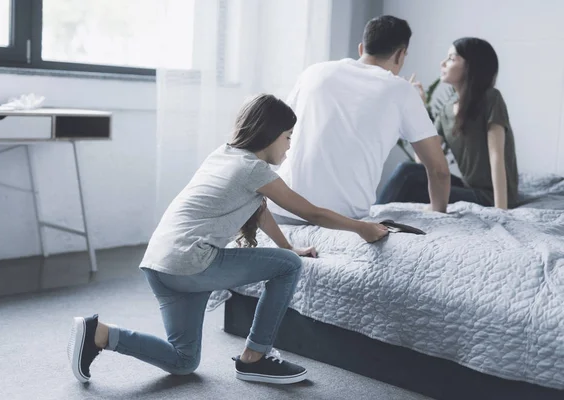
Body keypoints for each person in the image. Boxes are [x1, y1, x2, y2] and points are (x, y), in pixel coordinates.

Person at [67, 94, 389, 386]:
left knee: (183, 361)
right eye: (288, 137)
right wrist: (362, 228)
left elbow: (259, 211)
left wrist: (287, 245)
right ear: (271, 133)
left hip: (160, 265)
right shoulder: (252, 169)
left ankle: (100, 334)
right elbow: (313, 213)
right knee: (288, 267)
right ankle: (255, 357)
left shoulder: (223, 156)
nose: (290, 146)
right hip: (191, 263)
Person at [268, 15, 450, 225]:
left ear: (361, 48)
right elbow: (439, 170)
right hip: (342, 220)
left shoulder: (315, 72)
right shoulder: (401, 90)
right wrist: (437, 211)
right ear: (400, 54)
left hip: (280, 207)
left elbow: (279, 132)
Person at [377, 37, 519, 209]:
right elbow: (422, 162)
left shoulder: (491, 99)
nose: (442, 63)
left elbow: (496, 156)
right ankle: (374, 219)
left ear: (471, 66)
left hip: (491, 196)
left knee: (407, 178)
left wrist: (501, 210)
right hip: (469, 188)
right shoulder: (446, 110)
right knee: (409, 173)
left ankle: (371, 218)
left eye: (451, 58)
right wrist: (417, 109)